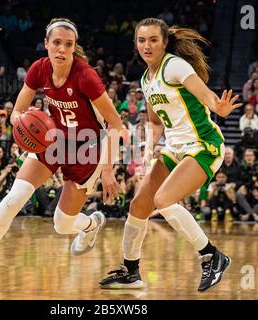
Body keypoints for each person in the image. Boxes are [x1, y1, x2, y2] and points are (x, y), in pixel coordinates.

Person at [0, 17, 122, 289]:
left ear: (74, 47)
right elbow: (17, 112)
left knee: (62, 225)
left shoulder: (85, 76)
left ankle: (91, 224)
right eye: (56, 42)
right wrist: (23, 126)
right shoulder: (38, 69)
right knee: (14, 197)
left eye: (68, 44)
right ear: (46, 44)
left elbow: (115, 123)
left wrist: (108, 168)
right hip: (52, 140)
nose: (62, 49)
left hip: (87, 148)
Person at [100, 18, 241, 292]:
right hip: (174, 147)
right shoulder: (145, 79)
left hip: (203, 144)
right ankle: (130, 271)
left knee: (163, 200)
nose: (147, 46)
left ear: (165, 43)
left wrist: (218, 107)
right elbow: (154, 122)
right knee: (139, 205)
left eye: (153, 40)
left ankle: (212, 257)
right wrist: (147, 151)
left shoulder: (174, 66)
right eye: (141, 40)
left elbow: (206, 95)